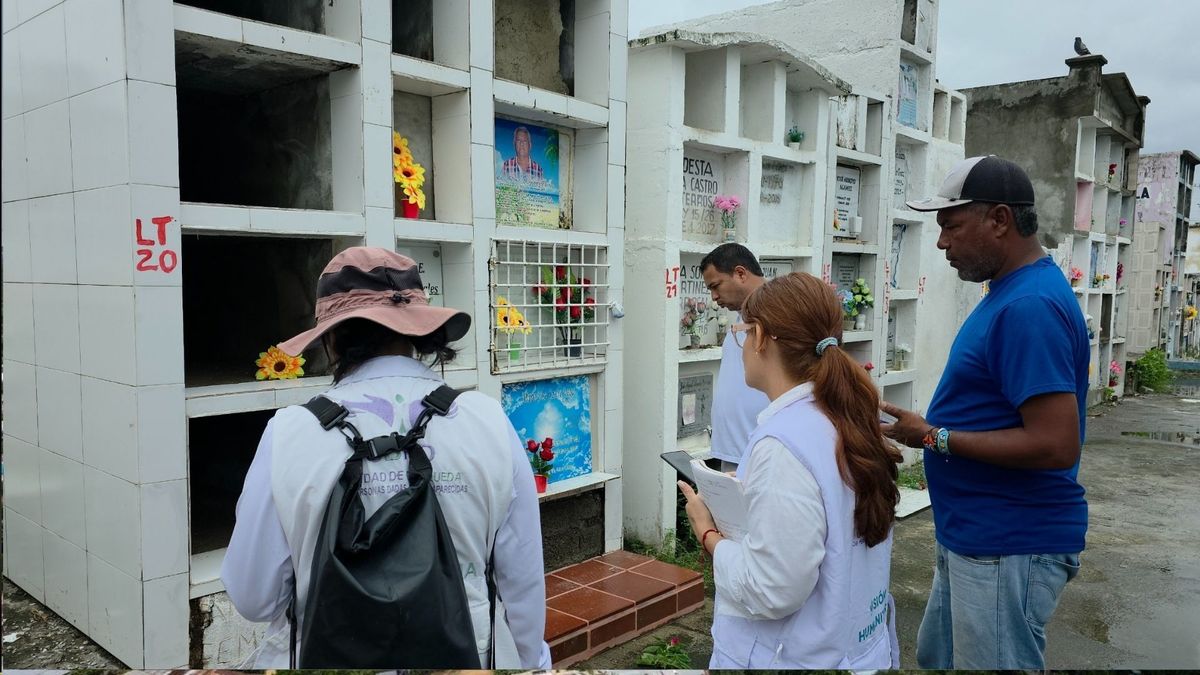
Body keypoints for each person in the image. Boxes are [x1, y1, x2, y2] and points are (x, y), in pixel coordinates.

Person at [221, 247, 552, 669]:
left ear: (331, 337)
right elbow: (521, 583)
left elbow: (254, 597)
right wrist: (531, 661)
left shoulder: (289, 432)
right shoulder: (488, 421)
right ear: (418, 330)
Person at [883, 155, 1089, 669]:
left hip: (1009, 541)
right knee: (940, 659)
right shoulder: (1010, 292)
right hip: (977, 533)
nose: (941, 242)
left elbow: (1055, 444)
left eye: (951, 226)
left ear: (999, 219)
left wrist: (933, 437)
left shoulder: (1029, 307)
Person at [679, 272, 903, 669]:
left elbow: (772, 590)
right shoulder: (840, 415)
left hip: (792, 656)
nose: (743, 344)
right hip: (856, 646)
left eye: (743, 333)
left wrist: (708, 533)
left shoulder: (784, 443)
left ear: (761, 336)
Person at [700, 243, 770, 471]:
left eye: (716, 285)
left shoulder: (779, 314)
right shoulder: (741, 318)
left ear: (740, 273)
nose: (714, 297)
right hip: (734, 450)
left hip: (762, 453)